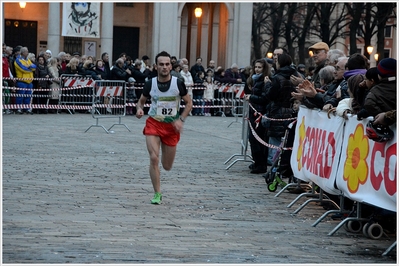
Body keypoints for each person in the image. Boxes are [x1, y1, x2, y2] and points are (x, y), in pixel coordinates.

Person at [135, 51, 193, 204]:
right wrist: (139, 109)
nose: (164, 67)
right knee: (154, 158)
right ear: (156, 66)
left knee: (167, 166)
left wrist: (181, 120)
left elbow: (189, 104)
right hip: (153, 123)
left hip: (171, 127)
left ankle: (160, 182)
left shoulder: (178, 83)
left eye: (167, 64)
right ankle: (157, 193)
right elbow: (140, 102)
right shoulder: (150, 83)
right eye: (161, 64)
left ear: (171, 66)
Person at [264, 53, 297, 165]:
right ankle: (282, 165)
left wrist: (267, 84)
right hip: (290, 110)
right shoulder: (295, 75)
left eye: (277, 61)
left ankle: (274, 167)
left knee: (275, 141)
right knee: (287, 141)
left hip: (277, 111)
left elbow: (271, 95)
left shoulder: (278, 78)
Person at [245, 59, 271, 174]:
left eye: (259, 67)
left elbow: (265, 98)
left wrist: (251, 97)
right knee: (252, 138)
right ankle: (256, 161)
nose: (257, 69)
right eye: (256, 67)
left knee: (259, 139)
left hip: (260, 113)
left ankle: (261, 164)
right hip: (253, 112)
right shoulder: (253, 79)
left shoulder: (265, 80)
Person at [14, 46, 36, 114]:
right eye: (26, 51)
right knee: (20, 96)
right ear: (23, 52)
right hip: (22, 81)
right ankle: (18, 108)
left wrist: (29, 67)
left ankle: (26, 109)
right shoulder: (18, 60)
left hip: (29, 81)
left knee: (28, 96)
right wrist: (30, 69)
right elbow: (23, 69)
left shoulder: (28, 60)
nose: (27, 53)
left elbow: (34, 67)